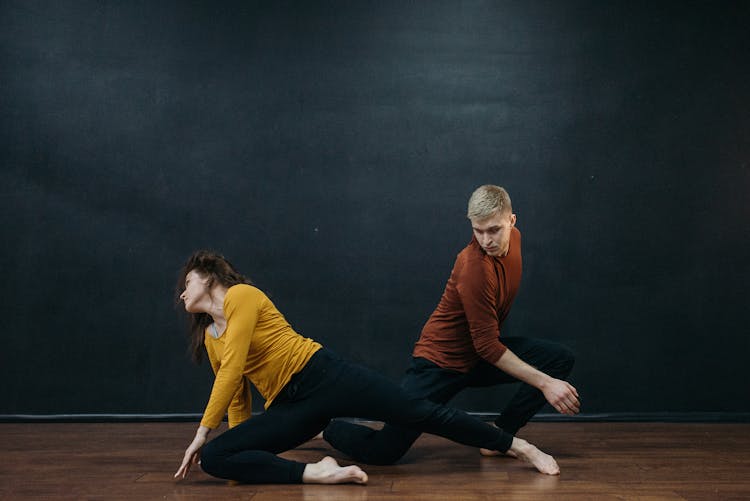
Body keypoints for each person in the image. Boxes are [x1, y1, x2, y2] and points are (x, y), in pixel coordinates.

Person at [173, 250, 561, 486]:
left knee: (422, 413)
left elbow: (232, 367)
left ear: (208, 276)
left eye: (187, 282)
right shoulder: (211, 336)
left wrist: (202, 431)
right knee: (216, 458)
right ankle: (319, 472)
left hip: (322, 375)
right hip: (288, 407)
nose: (182, 292)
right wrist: (241, 443)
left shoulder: (243, 295)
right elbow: (237, 393)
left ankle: (520, 446)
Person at [323, 184, 580, 466]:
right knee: (384, 451)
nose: (486, 240)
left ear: (512, 221)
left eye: (493, 230)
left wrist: (546, 380)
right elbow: (487, 346)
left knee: (558, 358)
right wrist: (546, 384)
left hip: (478, 356)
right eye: (478, 231)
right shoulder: (473, 267)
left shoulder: (515, 240)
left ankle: (501, 435)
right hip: (439, 364)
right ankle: (323, 426)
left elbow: (485, 346)